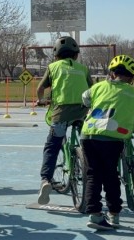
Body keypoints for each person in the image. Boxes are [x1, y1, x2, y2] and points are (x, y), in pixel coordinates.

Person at [80, 55, 134, 230]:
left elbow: (85, 99)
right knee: (110, 175)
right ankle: (114, 213)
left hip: (89, 135)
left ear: (112, 74)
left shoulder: (98, 87)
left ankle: (95, 215)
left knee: (93, 174)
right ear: (132, 78)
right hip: (113, 137)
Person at [34, 35, 92, 205]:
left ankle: (46, 180)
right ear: (76, 55)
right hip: (82, 112)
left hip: (61, 113)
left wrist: (41, 100)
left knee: (52, 147)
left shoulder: (53, 67)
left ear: (56, 56)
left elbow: (40, 88)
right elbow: (93, 88)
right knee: (89, 144)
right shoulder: (83, 68)